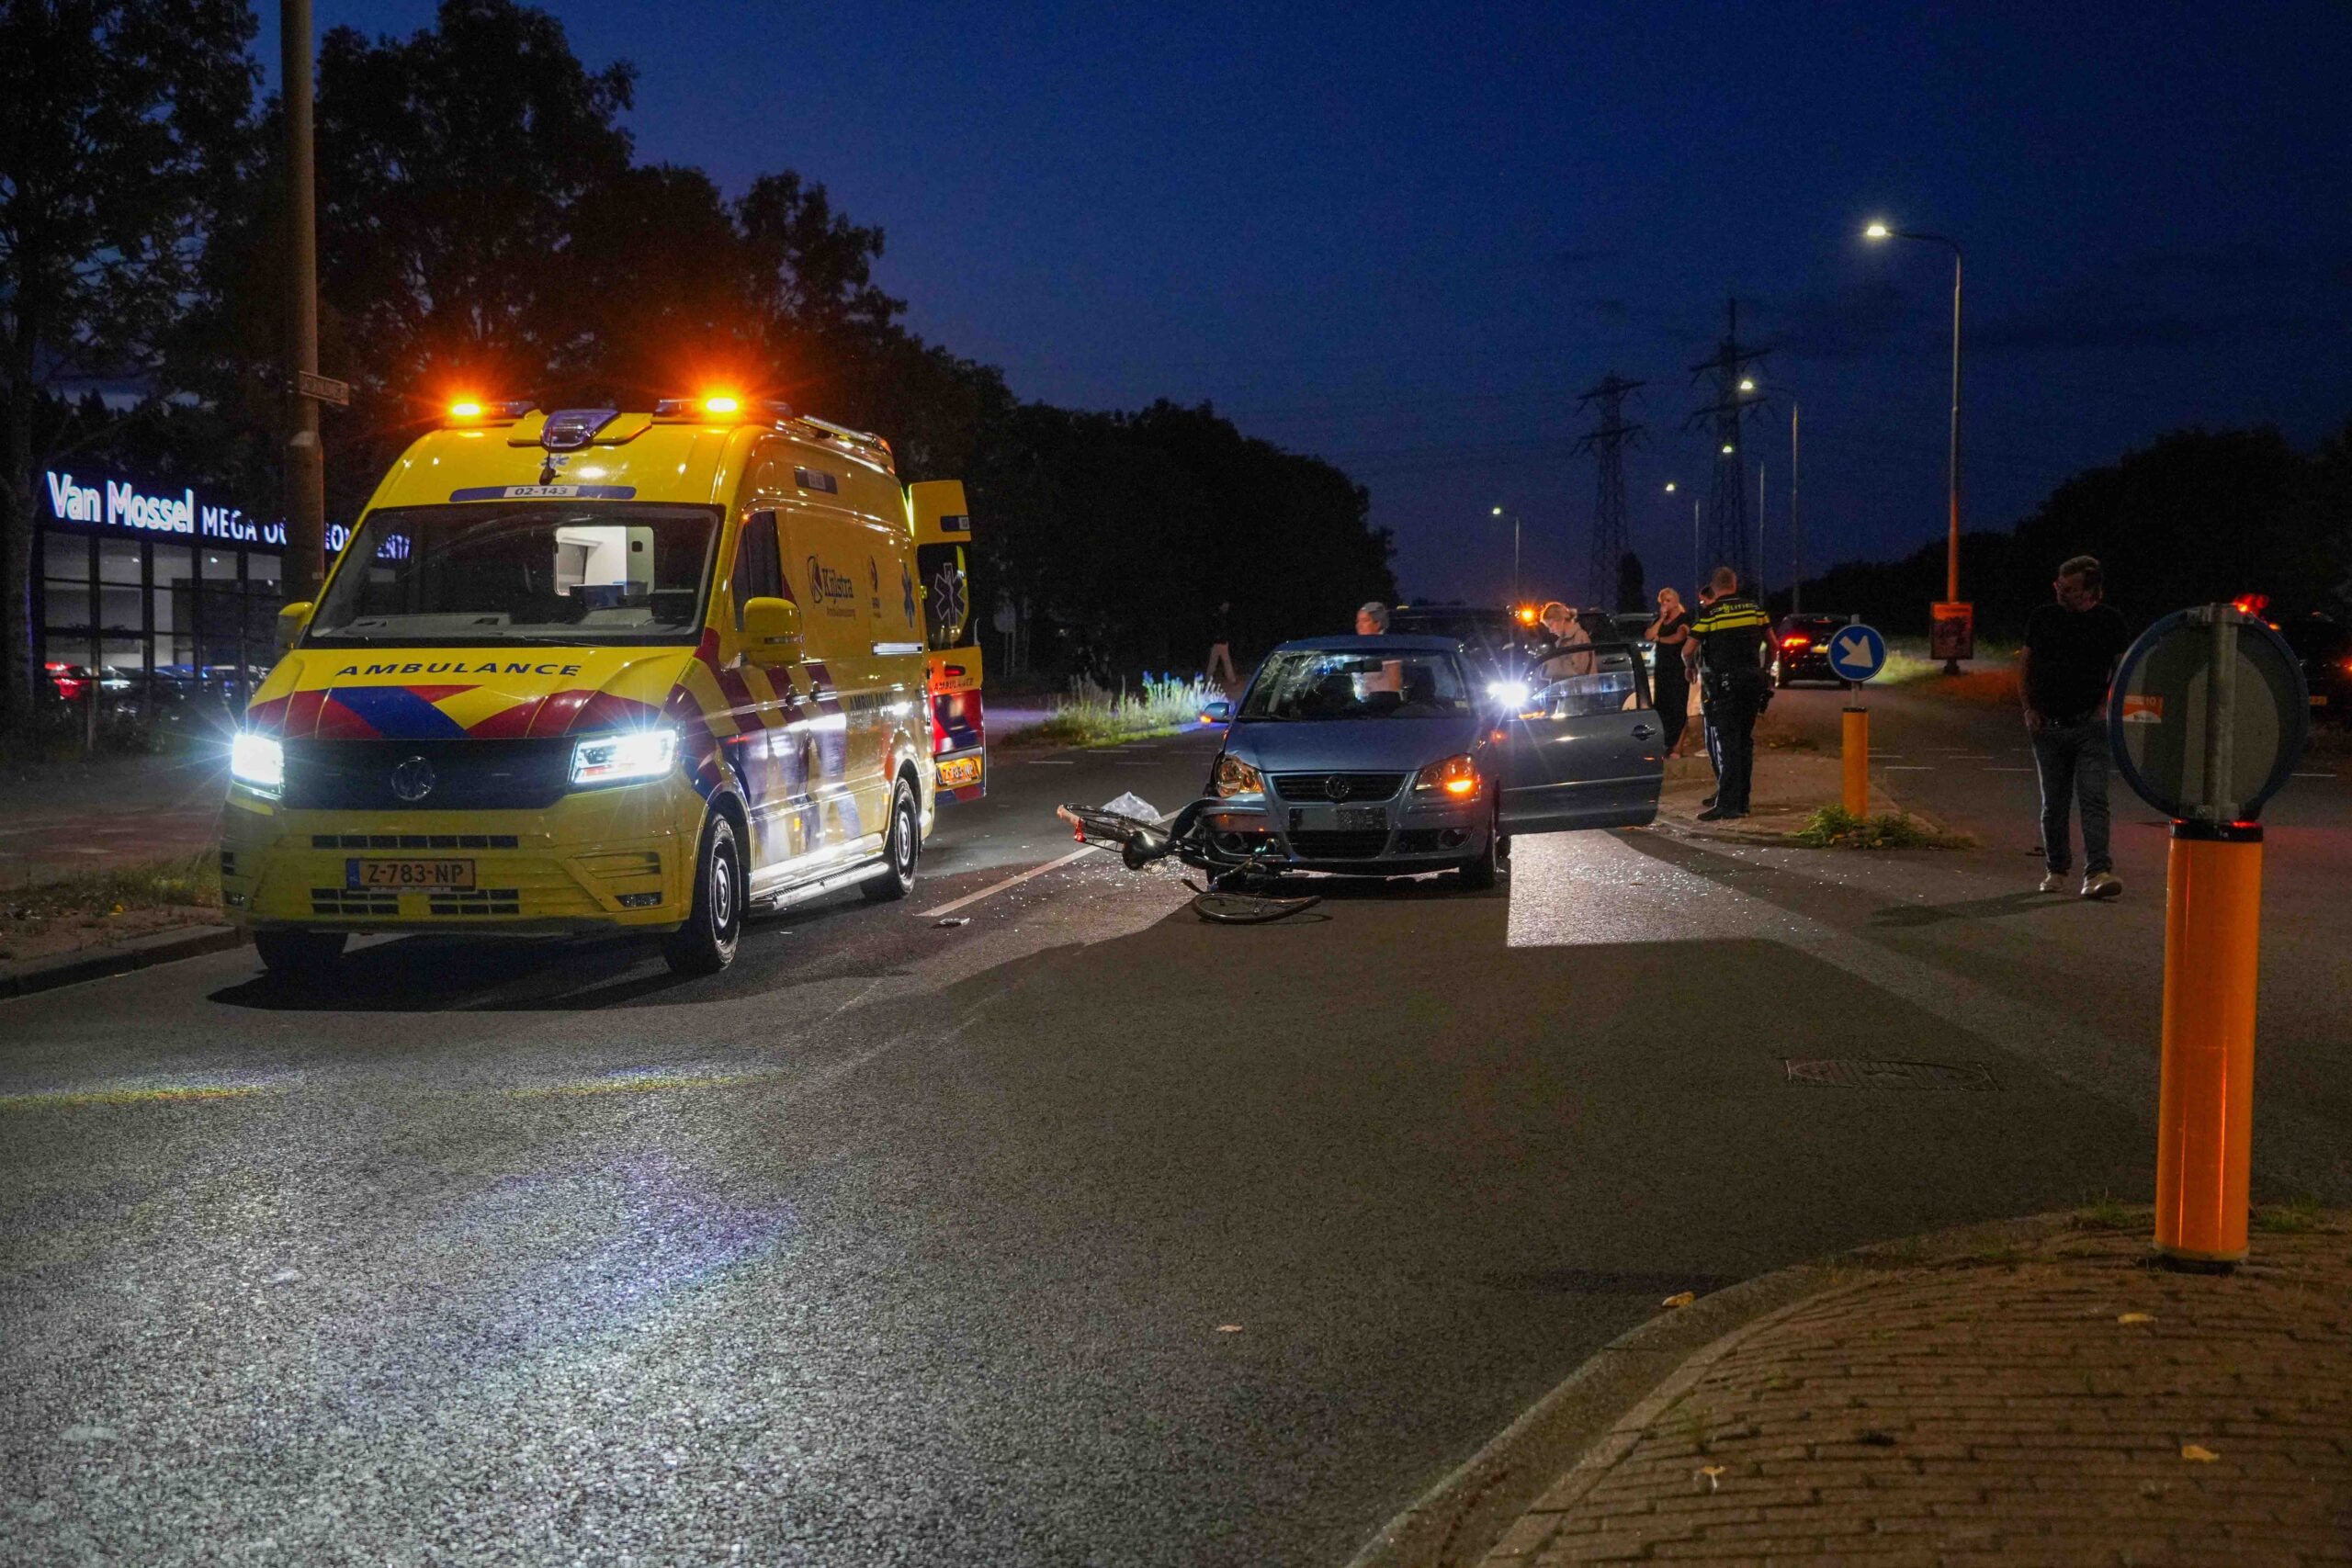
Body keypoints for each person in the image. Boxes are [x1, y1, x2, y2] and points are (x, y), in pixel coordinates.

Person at [2020, 555, 2131, 898]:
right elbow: (2026, 665)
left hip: (2090, 726)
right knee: (2053, 802)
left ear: (2090, 592)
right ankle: (2056, 869)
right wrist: (2029, 708)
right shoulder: (2043, 618)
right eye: (2059, 585)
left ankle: (2097, 872)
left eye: (2069, 589)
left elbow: (2123, 673)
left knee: (2094, 798)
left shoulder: (2110, 622)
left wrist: (2104, 708)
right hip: (2048, 726)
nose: (2060, 592)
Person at [1688, 567, 1772, 821]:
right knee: (1745, 742)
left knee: (1729, 744)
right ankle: (1743, 802)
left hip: (1725, 686)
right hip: (1752, 683)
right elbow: (1774, 644)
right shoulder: (1755, 610)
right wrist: (1765, 670)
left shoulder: (1711, 613)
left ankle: (1727, 805)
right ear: (1735, 584)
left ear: (1714, 588)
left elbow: (1688, 647)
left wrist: (1689, 667)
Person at [1645, 587, 1693, 756]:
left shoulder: (1684, 618)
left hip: (1678, 668)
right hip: (1662, 669)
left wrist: (1661, 639)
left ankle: (1678, 747)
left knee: (1678, 706)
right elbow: (1649, 636)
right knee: (1662, 705)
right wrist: (1661, 619)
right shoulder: (1660, 620)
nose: (1665, 604)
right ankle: (1667, 742)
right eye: (1663, 601)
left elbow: (1680, 637)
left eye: (1668, 600)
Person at [1532, 601, 1594, 681]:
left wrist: (1549, 664)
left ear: (1561, 620)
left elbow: (1577, 670)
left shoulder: (1579, 636)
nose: (1551, 630)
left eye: (1551, 625)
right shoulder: (1565, 640)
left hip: (1579, 692)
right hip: (1572, 691)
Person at [1353, 601, 1402, 694]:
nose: (1359, 625)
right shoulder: (1354, 649)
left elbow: (1394, 689)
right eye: (1358, 621)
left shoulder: (1389, 650)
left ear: (1378, 624)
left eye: (1365, 621)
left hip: (1381, 704)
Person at [1205, 601, 1238, 694]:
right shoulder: (1217, 615)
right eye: (1225, 605)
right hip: (1218, 643)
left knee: (1221, 662)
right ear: (1222, 605)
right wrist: (1218, 637)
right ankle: (1209, 681)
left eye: (1228, 605)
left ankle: (1231, 680)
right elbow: (1212, 629)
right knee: (1218, 662)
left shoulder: (1223, 615)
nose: (1227, 607)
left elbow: (1227, 629)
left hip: (1220, 643)